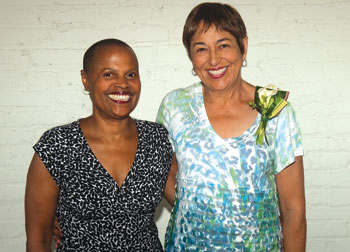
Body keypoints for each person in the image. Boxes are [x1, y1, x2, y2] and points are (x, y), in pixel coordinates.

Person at [156, 2, 306, 251]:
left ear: (243, 47)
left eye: (223, 45)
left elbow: (294, 209)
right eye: (201, 49)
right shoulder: (175, 106)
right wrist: (199, 208)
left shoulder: (275, 110)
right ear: (191, 56)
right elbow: (163, 174)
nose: (214, 60)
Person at [25, 38, 174, 252]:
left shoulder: (156, 138)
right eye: (109, 74)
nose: (122, 84)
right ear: (86, 80)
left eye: (131, 74)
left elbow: (185, 200)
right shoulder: (57, 145)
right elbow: (38, 240)